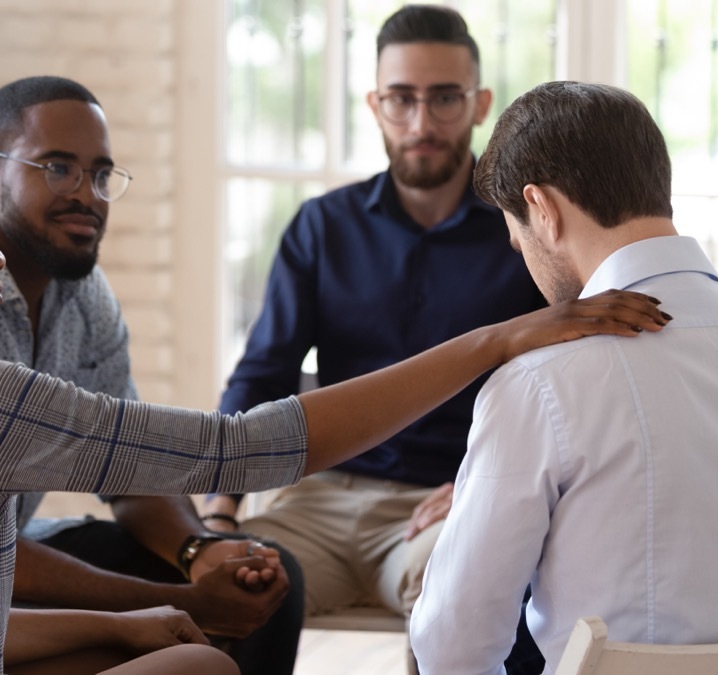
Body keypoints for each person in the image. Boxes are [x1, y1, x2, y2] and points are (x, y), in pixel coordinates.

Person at [0, 67, 667, 675]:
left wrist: (129, 614)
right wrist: (499, 339)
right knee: (202, 664)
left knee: (167, 641)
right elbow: (242, 447)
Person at [408, 80, 718, 674]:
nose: (521, 256)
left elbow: (453, 644)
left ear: (542, 211)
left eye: (516, 235)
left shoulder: (539, 384)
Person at [0, 75, 301, 675]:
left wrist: (198, 550)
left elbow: (127, 469)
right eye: (57, 167)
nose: (87, 194)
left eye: (100, 174)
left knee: (264, 583)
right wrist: (178, 600)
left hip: (20, 549)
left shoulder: (86, 296)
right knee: (192, 629)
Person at [204, 3, 547, 642]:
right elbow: (262, 374)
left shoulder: (525, 233)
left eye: (445, 98)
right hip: (318, 501)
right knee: (222, 593)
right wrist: (220, 514)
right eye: (401, 99)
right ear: (374, 104)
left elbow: (570, 379)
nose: (422, 122)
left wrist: (490, 484)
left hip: (446, 503)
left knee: (469, 602)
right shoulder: (322, 226)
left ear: (479, 104)